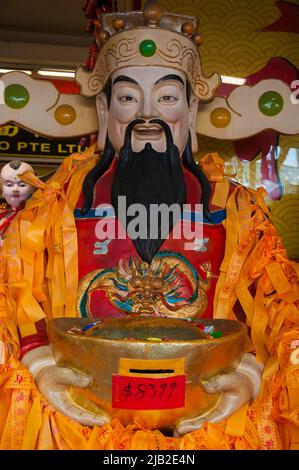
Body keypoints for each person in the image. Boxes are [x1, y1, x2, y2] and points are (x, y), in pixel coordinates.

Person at [0, 1, 298, 450]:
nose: (147, 115)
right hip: (79, 414)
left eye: (166, 97)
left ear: (190, 109)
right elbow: (15, 295)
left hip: (211, 413)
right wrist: (41, 365)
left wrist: (249, 377)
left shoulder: (234, 207)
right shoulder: (58, 203)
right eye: (126, 97)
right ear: (104, 111)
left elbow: (275, 311)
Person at [0, 161, 35, 247]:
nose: (15, 189)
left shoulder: (41, 217)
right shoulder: (2, 216)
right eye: (9, 185)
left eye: (22, 185)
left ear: (32, 187)